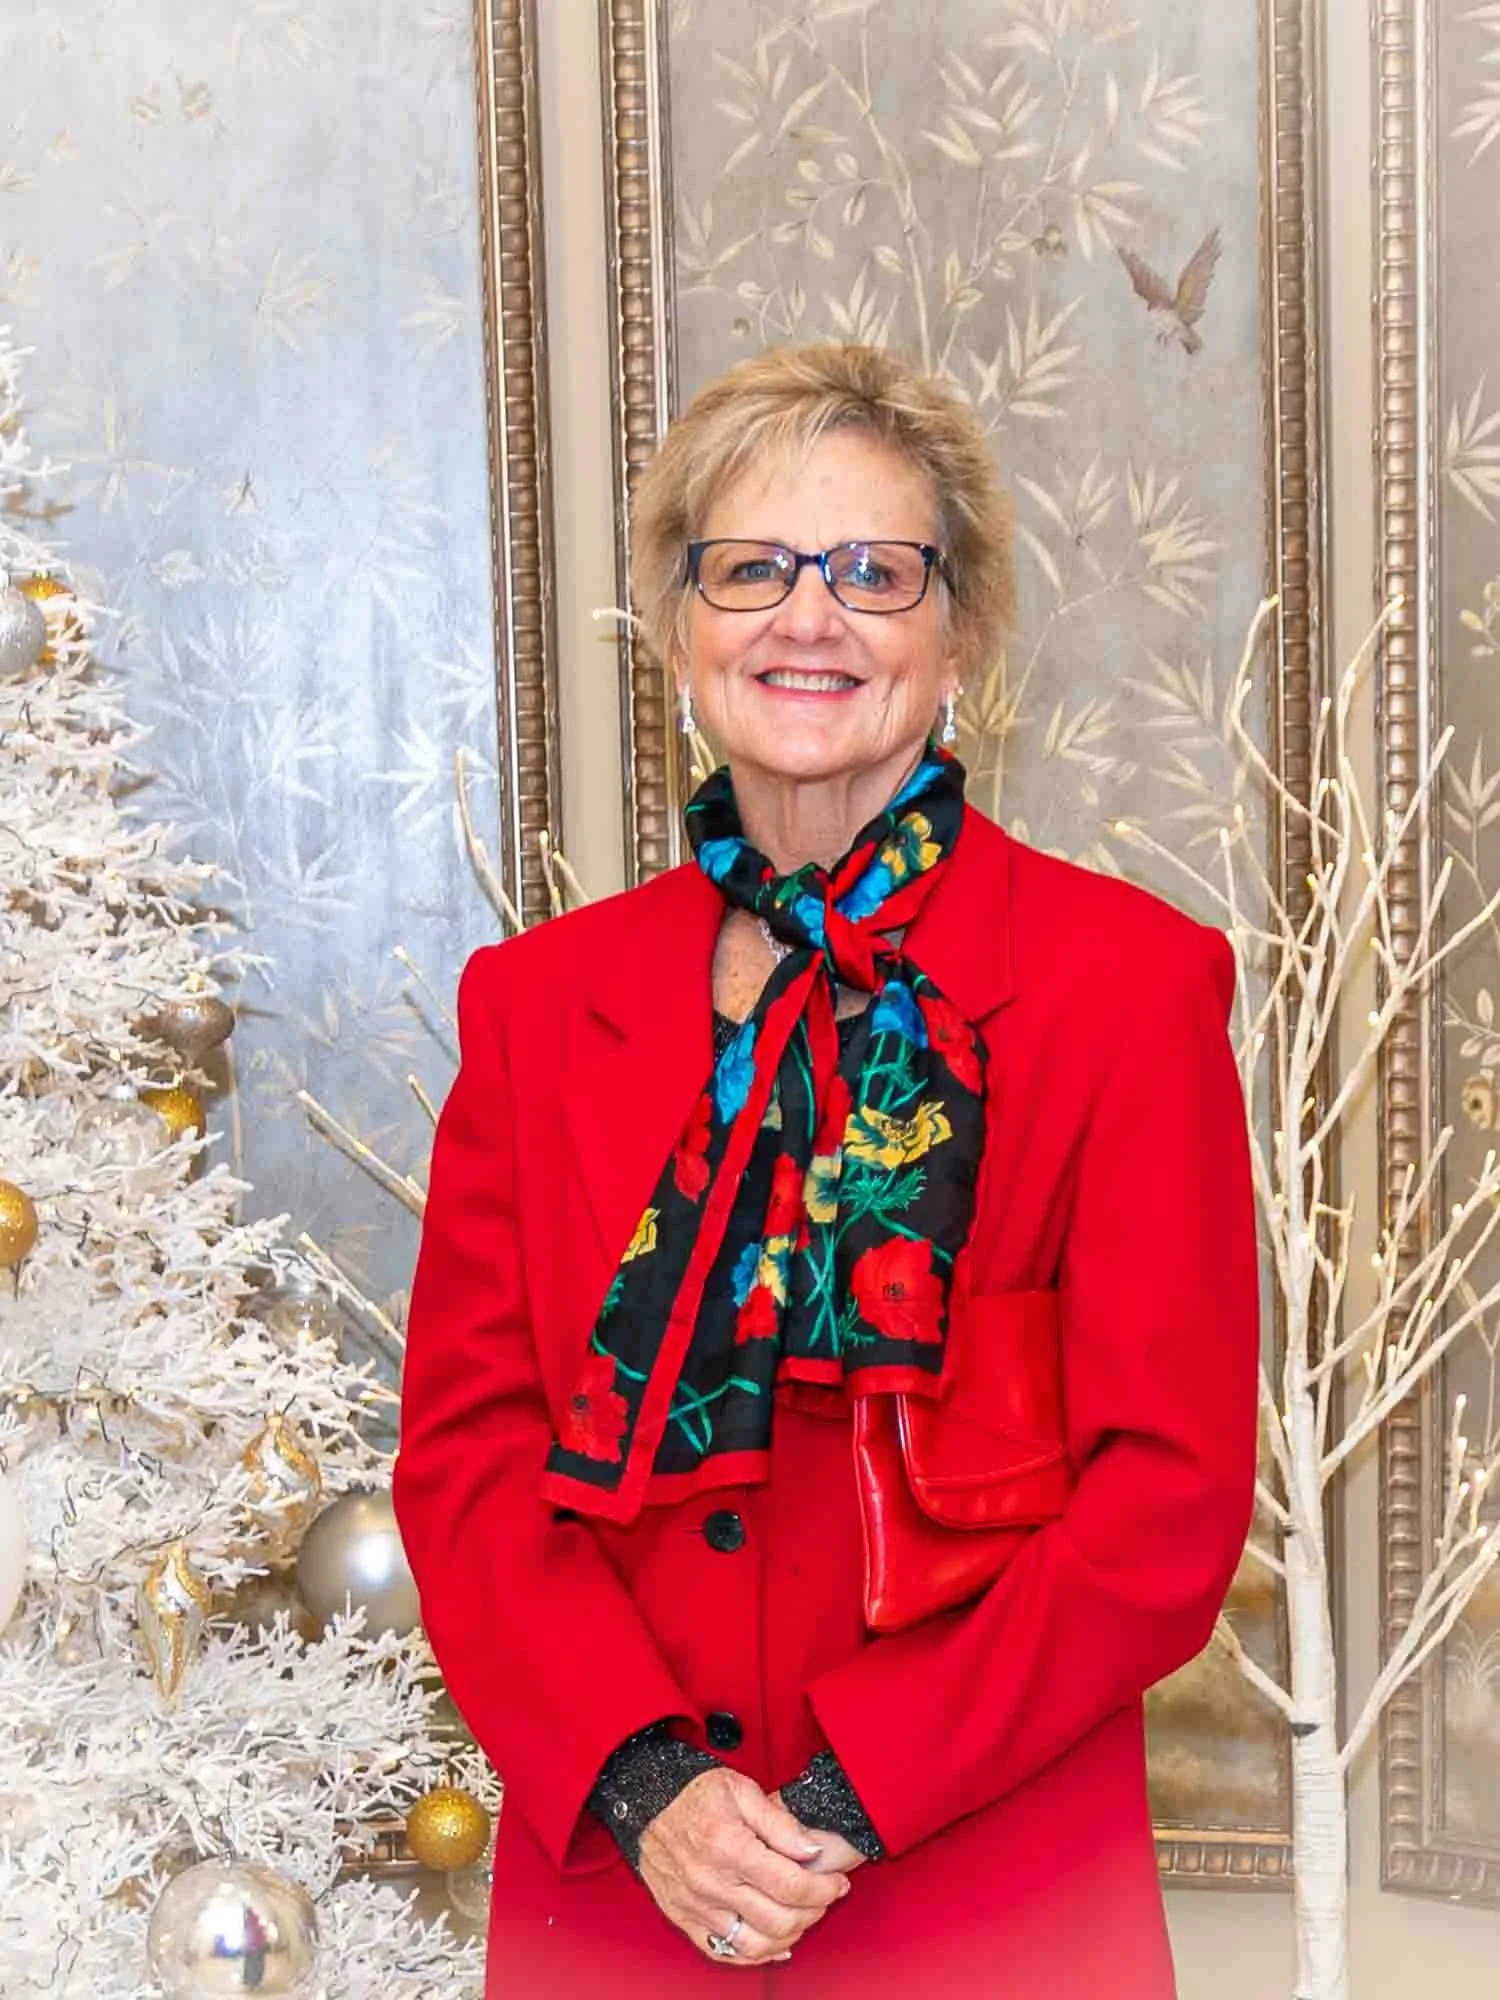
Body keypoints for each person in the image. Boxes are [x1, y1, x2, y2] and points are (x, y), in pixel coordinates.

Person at [392, 341, 1259, 1997]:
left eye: (873, 571)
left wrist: (855, 1795)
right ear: (679, 629)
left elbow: (1165, 1500)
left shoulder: (1128, 990)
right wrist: (646, 1784)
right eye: (752, 570)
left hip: (987, 1896)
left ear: (962, 631)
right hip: (624, 1899)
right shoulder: (534, 1005)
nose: (810, 618)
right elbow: (469, 1458)